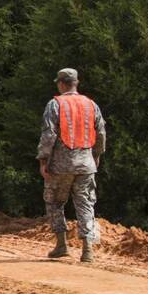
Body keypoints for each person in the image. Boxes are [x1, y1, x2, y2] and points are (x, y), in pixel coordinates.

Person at [37, 67, 107, 263]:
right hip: (86, 164)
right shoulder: (91, 104)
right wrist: (97, 155)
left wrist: (43, 159)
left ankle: (61, 245)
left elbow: (48, 134)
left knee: (54, 202)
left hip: (61, 165)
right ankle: (87, 250)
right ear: (76, 83)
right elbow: (101, 132)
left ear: (61, 84)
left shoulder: (55, 104)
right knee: (85, 204)